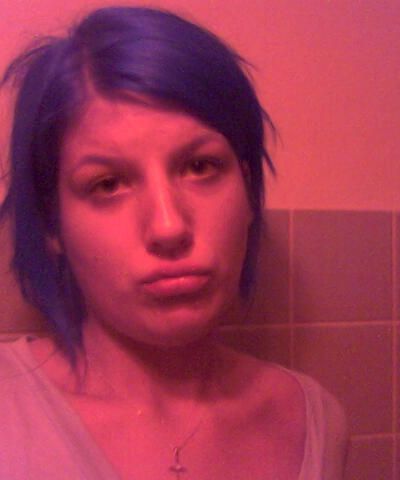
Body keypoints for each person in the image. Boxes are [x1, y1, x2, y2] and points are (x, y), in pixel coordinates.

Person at [0, 6, 347, 479]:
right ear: (52, 224)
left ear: (247, 190)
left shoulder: (316, 422)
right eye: (107, 184)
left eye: (200, 167)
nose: (168, 227)